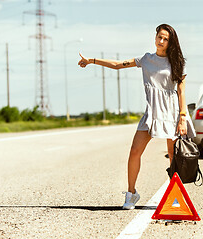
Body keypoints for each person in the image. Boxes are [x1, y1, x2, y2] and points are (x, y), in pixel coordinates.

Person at [78, 24, 195, 210]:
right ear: (155, 37)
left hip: (172, 113)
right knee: (134, 151)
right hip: (152, 113)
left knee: (174, 155)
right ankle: (131, 194)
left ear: (170, 42)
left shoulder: (177, 62)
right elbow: (117, 65)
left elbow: (181, 91)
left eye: (165, 39)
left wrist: (182, 117)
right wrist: (91, 60)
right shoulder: (146, 59)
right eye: (159, 37)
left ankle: (176, 196)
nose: (161, 41)